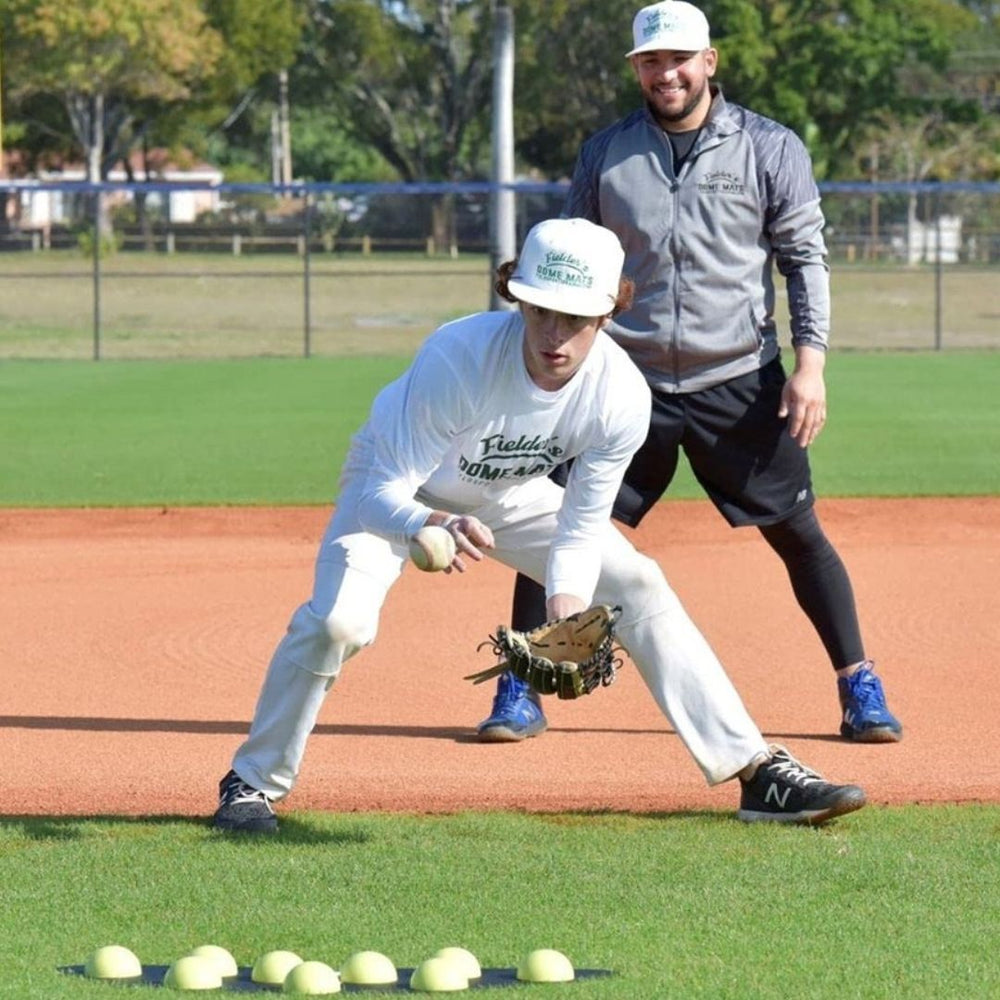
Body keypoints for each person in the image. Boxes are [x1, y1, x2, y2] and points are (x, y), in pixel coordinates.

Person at [213, 217, 866, 834]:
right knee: (339, 624)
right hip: (401, 490)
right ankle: (251, 782)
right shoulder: (458, 355)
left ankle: (755, 771)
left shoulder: (620, 395)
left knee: (636, 582)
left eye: (576, 317)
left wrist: (566, 618)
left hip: (507, 492)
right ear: (517, 299)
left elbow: (580, 529)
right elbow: (381, 492)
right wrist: (431, 521)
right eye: (541, 310)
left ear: (608, 313)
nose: (555, 334)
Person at [476, 0, 902, 747]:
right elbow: (573, 264)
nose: (665, 73)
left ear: (709, 61)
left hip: (738, 378)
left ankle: (858, 683)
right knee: (557, 525)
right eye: (651, 61)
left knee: (797, 533)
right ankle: (523, 685)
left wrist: (810, 365)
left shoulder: (770, 147)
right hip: (624, 379)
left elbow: (804, 260)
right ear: (637, 69)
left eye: (678, 58)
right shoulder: (607, 153)